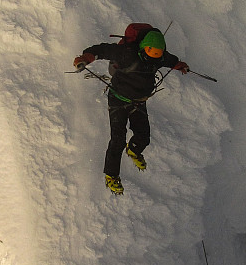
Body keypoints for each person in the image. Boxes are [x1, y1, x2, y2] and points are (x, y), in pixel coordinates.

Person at [73, 27, 189, 195]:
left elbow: (171, 61)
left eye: (156, 55)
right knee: (118, 140)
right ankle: (111, 176)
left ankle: (133, 149)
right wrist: (85, 58)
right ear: (143, 48)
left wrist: (180, 66)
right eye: (149, 54)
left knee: (144, 136)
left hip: (139, 102)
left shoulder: (160, 57)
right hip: (118, 101)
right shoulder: (127, 54)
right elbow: (102, 50)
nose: (152, 58)